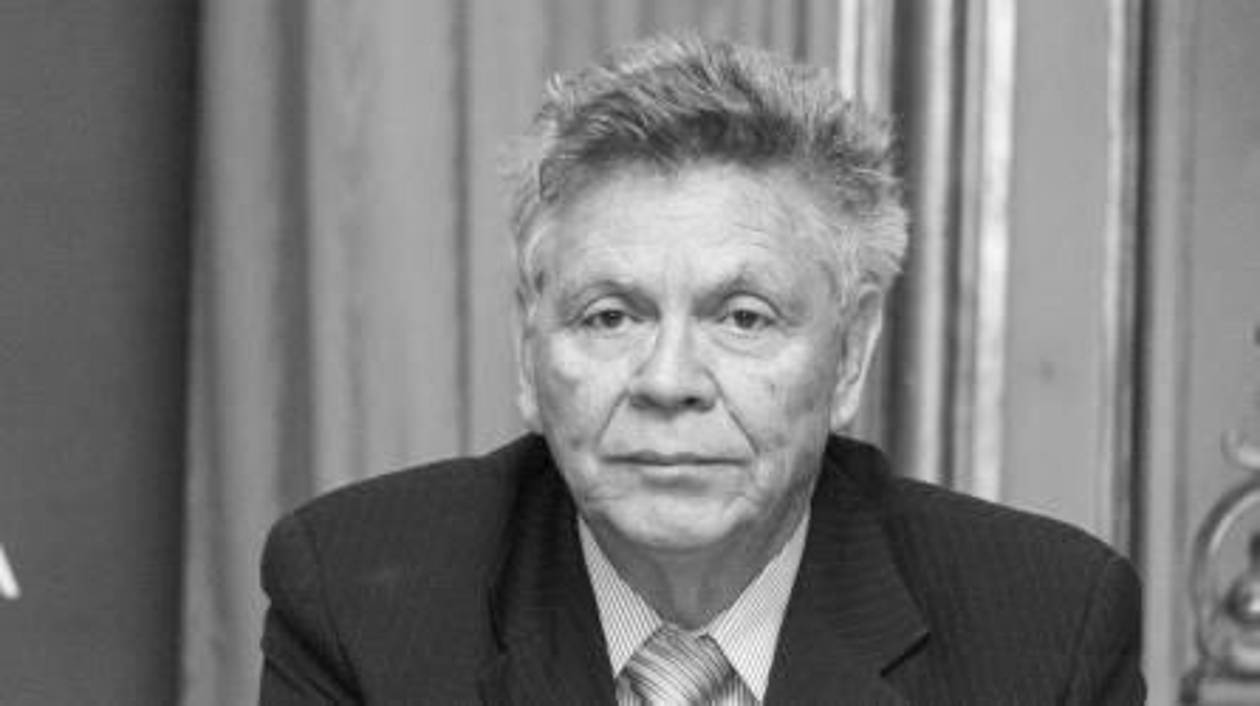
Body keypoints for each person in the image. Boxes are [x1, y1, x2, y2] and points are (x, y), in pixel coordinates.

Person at [259, 35, 1144, 705]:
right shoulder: (360, 601)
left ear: (850, 354)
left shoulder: (1044, 635)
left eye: (742, 317)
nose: (668, 380)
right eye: (611, 316)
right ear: (528, 348)